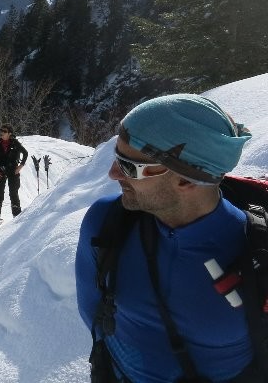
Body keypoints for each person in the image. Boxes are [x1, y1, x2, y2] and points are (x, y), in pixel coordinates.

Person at [75, 94, 256, 382]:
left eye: (128, 166)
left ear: (185, 179)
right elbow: (95, 317)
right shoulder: (105, 225)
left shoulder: (256, 252)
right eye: (115, 157)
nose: (112, 173)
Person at [0, 124, 29, 228]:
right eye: (1, 130)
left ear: (9, 133)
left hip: (12, 170)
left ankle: (16, 216)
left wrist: (20, 166)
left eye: (4, 131)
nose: (1, 133)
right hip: (0, 170)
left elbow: (25, 153)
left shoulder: (15, 143)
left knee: (13, 193)